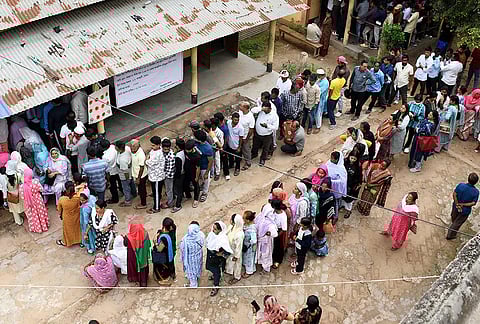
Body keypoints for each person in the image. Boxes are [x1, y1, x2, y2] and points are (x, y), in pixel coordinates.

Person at [446, 173, 479, 240]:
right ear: (476, 182)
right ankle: (450, 236)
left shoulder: (461, 185)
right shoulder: (476, 192)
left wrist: (457, 203)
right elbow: (473, 203)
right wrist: (463, 205)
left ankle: (452, 226)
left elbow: (454, 194)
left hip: (455, 206)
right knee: (457, 223)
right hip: (465, 211)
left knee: (454, 217)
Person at [206, 221, 232, 296]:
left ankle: (216, 285)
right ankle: (215, 276)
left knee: (216, 271)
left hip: (216, 259)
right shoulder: (212, 234)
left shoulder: (223, 239)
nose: (213, 230)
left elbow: (228, 251)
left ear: (220, 230)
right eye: (213, 228)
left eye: (215, 229)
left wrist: (221, 254)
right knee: (210, 267)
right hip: (210, 255)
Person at [19, 167, 49, 233]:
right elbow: (41, 189)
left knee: (33, 215)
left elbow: (22, 197)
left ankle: (36, 228)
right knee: (41, 212)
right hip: (38, 199)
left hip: (28, 202)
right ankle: (44, 226)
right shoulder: (36, 181)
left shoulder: (22, 186)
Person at [125, 214, 152, 287]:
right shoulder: (145, 233)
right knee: (143, 268)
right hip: (143, 257)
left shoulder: (128, 237)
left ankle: (135, 279)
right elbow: (149, 244)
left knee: (135, 267)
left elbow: (125, 244)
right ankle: (144, 281)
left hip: (133, 257)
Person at [56, 181, 81, 247]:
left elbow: (59, 210)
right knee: (77, 228)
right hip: (76, 216)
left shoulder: (62, 199)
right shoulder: (78, 197)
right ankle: (78, 240)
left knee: (67, 230)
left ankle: (66, 242)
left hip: (67, 217)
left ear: (66, 189)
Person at [180, 222, 205, 287]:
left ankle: (193, 284)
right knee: (197, 267)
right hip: (199, 255)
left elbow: (183, 250)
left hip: (190, 259)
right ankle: (197, 275)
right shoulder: (201, 235)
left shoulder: (185, 240)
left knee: (191, 270)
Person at [255, 204, 278, 274]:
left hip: (263, 241)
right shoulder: (267, 221)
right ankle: (263, 265)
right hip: (263, 241)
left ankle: (266, 268)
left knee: (264, 254)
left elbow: (275, 234)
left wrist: (268, 233)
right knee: (263, 254)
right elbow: (275, 234)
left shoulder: (262, 218)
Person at [153, 217, 176, 285]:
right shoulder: (172, 231)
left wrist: (155, 243)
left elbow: (159, 249)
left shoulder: (163, 238)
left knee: (161, 267)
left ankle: (163, 278)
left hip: (164, 256)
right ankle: (172, 274)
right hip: (170, 252)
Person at [145, 135, 165, 214]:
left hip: (157, 176)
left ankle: (156, 207)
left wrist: (147, 160)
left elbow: (149, 162)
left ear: (158, 145)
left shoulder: (158, 154)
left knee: (156, 192)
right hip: (153, 175)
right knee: (156, 191)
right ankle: (158, 201)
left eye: (153, 145)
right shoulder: (154, 151)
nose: (152, 146)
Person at [194, 130, 214, 203]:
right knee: (200, 179)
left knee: (206, 180)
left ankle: (204, 193)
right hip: (197, 165)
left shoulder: (208, 148)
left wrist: (206, 172)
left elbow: (210, 161)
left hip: (204, 167)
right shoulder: (196, 143)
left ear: (199, 139)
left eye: (195, 137)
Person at [326, 151, 347, 219]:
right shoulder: (329, 163)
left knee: (335, 203)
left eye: (333, 158)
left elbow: (342, 181)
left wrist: (332, 181)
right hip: (328, 186)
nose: (331, 160)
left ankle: (335, 216)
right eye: (331, 158)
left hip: (336, 188)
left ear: (337, 159)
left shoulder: (341, 168)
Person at [115, 142, 136, 207]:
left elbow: (125, 171)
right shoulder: (127, 149)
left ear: (118, 148)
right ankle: (134, 193)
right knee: (132, 183)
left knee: (126, 187)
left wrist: (127, 178)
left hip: (124, 175)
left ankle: (127, 201)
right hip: (129, 171)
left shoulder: (122, 160)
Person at [225, 214, 245, 284]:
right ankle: (229, 271)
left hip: (235, 252)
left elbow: (239, 247)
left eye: (231, 220)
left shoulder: (239, 235)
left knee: (237, 264)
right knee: (229, 262)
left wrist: (236, 256)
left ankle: (237, 277)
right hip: (229, 249)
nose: (230, 221)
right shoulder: (231, 227)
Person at [101, 139, 122, 204]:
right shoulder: (113, 147)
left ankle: (115, 199)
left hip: (111, 172)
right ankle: (123, 191)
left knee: (113, 187)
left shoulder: (105, 157)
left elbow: (106, 168)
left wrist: (107, 179)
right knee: (120, 181)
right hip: (118, 168)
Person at [342, 151, 362, 218]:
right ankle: (343, 206)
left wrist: (355, 186)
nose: (352, 160)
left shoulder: (358, 167)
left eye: (354, 159)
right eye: (351, 158)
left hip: (351, 186)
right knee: (343, 197)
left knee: (349, 199)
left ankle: (348, 210)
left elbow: (359, 178)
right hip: (344, 184)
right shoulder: (345, 163)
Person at [129, 139, 148, 209]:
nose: (132, 148)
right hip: (136, 173)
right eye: (131, 146)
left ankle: (143, 204)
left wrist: (138, 178)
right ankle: (144, 196)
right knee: (141, 189)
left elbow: (142, 167)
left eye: (134, 146)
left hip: (141, 175)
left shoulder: (140, 154)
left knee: (141, 189)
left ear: (138, 146)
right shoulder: (134, 152)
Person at [270, 199, 288, 269]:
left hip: (279, 232)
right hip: (273, 230)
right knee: (273, 246)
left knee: (278, 247)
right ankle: (272, 257)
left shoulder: (282, 216)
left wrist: (276, 236)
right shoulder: (273, 212)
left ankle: (278, 260)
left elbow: (284, 229)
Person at [226, 112, 245, 176]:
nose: (236, 121)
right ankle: (231, 165)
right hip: (229, 144)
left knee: (237, 159)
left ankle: (237, 169)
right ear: (232, 119)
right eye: (235, 120)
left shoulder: (240, 128)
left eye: (237, 120)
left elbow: (241, 138)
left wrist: (239, 147)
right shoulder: (228, 123)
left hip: (236, 146)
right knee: (230, 156)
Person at [6, 160, 24, 225]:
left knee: (14, 209)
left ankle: (18, 221)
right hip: (19, 192)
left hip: (10, 194)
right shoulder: (18, 175)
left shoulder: (4, 176)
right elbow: (23, 182)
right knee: (23, 205)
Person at [184, 139, 201, 208]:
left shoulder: (197, 156)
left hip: (194, 172)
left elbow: (198, 168)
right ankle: (188, 195)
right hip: (187, 171)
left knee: (196, 185)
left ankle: (196, 199)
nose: (187, 151)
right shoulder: (186, 150)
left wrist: (197, 177)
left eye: (188, 150)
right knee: (185, 183)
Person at [239, 102, 255, 170]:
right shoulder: (240, 112)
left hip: (246, 136)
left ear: (245, 108)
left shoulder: (250, 117)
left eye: (241, 106)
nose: (239, 107)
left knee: (246, 150)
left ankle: (248, 163)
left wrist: (246, 138)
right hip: (240, 135)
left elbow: (251, 130)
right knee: (240, 148)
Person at [241, 211, 257, 278]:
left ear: (247, 220)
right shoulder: (246, 225)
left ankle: (249, 271)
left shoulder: (252, 230)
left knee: (249, 259)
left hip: (249, 248)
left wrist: (248, 242)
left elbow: (254, 240)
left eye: (244, 218)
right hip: (246, 246)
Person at [161, 138, 175, 208]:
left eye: (167, 149)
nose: (166, 151)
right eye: (164, 149)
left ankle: (170, 203)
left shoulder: (171, 156)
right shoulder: (161, 151)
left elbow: (169, 171)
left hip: (168, 176)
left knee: (169, 190)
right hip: (164, 173)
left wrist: (162, 176)